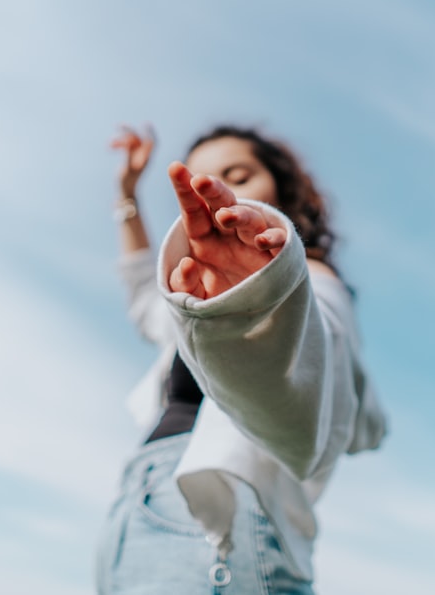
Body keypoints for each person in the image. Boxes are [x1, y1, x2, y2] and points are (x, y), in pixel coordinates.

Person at [96, 124, 387, 594]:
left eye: (238, 175)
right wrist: (127, 194)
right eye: (199, 182)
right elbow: (143, 299)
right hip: (141, 495)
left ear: (283, 190)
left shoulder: (310, 281)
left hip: (222, 512)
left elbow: (305, 378)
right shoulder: (191, 295)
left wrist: (259, 295)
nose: (220, 193)